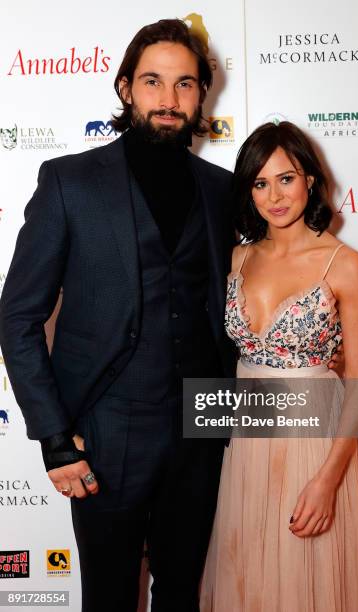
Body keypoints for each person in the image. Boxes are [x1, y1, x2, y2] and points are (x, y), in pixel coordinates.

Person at [0, 19, 236, 612]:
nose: (169, 98)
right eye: (153, 81)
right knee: (108, 597)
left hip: (202, 428)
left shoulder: (221, 189)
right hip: (106, 430)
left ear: (201, 95)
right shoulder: (68, 181)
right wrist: (56, 439)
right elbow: (18, 318)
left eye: (185, 84)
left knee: (183, 593)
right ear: (126, 87)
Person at [200, 121, 358, 611]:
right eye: (260, 183)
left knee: (306, 586)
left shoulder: (345, 265)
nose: (275, 195)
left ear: (310, 181)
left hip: (313, 449)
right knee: (250, 583)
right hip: (246, 449)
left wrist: (329, 480)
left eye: (287, 178)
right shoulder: (236, 258)